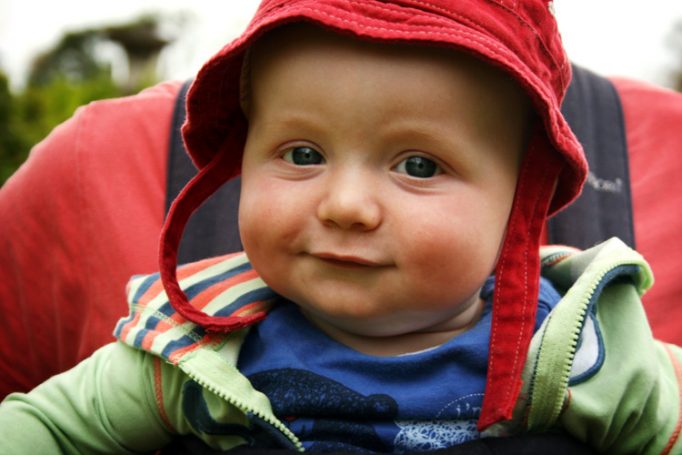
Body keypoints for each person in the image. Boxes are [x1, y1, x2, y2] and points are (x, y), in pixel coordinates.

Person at [0, 1, 680, 453]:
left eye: (418, 164)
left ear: (521, 200)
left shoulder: (584, 348)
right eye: (302, 154)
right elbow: (42, 428)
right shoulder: (193, 352)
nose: (346, 204)